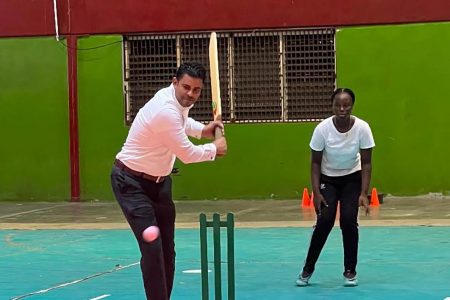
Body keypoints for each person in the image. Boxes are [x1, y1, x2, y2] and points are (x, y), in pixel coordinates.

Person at [110, 62, 227, 299]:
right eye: (186, 87)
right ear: (174, 82)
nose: (190, 94)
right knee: (153, 250)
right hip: (131, 183)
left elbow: (182, 123)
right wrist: (215, 148)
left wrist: (203, 130)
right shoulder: (164, 109)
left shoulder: (175, 102)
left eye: (196, 89)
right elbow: (187, 154)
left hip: (159, 184)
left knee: (167, 252)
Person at [296, 88, 375, 287]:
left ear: (352, 106)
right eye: (338, 105)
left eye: (346, 104)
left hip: (352, 179)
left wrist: (364, 193)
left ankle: (350, 270)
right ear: (332, 106)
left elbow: (366, 163)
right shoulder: (322, 129)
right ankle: (307, 269)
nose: (342, 108)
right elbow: (315, 163)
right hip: (328, 180)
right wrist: (316, 193)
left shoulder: (362, 128)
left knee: (349, 221)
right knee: (325, 222)